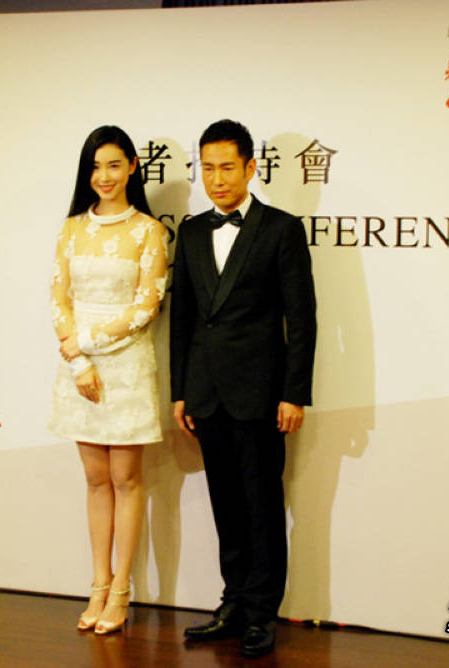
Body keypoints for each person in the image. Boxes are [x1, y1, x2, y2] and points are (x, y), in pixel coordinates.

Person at [169, 119, 317, 658]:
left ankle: (261, 612)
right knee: (225, 505)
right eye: (208, 168)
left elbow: (302, 317)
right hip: (206, 395)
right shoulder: (190, 232)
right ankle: (232, 602)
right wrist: (181, 391)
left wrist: (294, 393)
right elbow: (183, 319)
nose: (217, 179)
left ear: (252, 168)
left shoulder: (281, 229)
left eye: (227, 167)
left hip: (261, 394)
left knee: (262, 505)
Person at [48, 125, 168, 635]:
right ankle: (97, 584)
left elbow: (146, 307)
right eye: (95, 167)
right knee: (96, 479)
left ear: (133, 167)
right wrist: (77, 362)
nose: (104, 176)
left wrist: (85, 345)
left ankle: (122, 588)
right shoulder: (72, 228)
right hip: (80, 371)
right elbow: (59, 298)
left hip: (127, 366)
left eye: (114, 165)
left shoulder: (148, 231)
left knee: (126, 478)